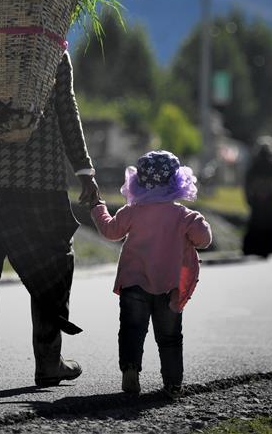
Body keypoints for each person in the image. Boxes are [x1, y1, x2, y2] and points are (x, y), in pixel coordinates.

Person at [0, 50, 99, 392]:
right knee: (52, 264)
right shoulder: (49, 48)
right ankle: (48, 362)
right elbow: (66, 113)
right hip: (37, 179)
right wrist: (85, 171)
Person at [81, 150, 212, 398]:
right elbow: (203, 240)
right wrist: (199, 221)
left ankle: (130, 370)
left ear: (138, 182)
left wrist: (98, 207)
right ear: (177, 182)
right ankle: (173, 383)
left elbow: (110, 231)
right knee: (170, 337)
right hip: (168, 288)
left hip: (134, 284)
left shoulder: (132, 211)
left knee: (131, 330)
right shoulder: (183, 216)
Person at [242, 136, 272, 259]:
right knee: (266, 224)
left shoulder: (258, 165)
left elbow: (248, 183)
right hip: (267, 199)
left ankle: (257, 248)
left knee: (259, 224)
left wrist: (250, 197)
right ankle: (266, 248)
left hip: (260, 200)